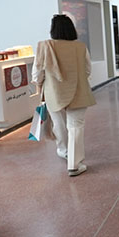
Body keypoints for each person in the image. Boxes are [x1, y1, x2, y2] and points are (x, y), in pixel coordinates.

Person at [33, 14, 96, 177]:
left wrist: (42, 83)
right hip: (79, 90)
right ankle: (74, 164)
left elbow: (37, 73)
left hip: (54, 91)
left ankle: (64, 151)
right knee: (76, 126)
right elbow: (87, 70)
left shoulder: (44, 46)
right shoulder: (80, 47)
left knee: (59, 124)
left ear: (52, 29)